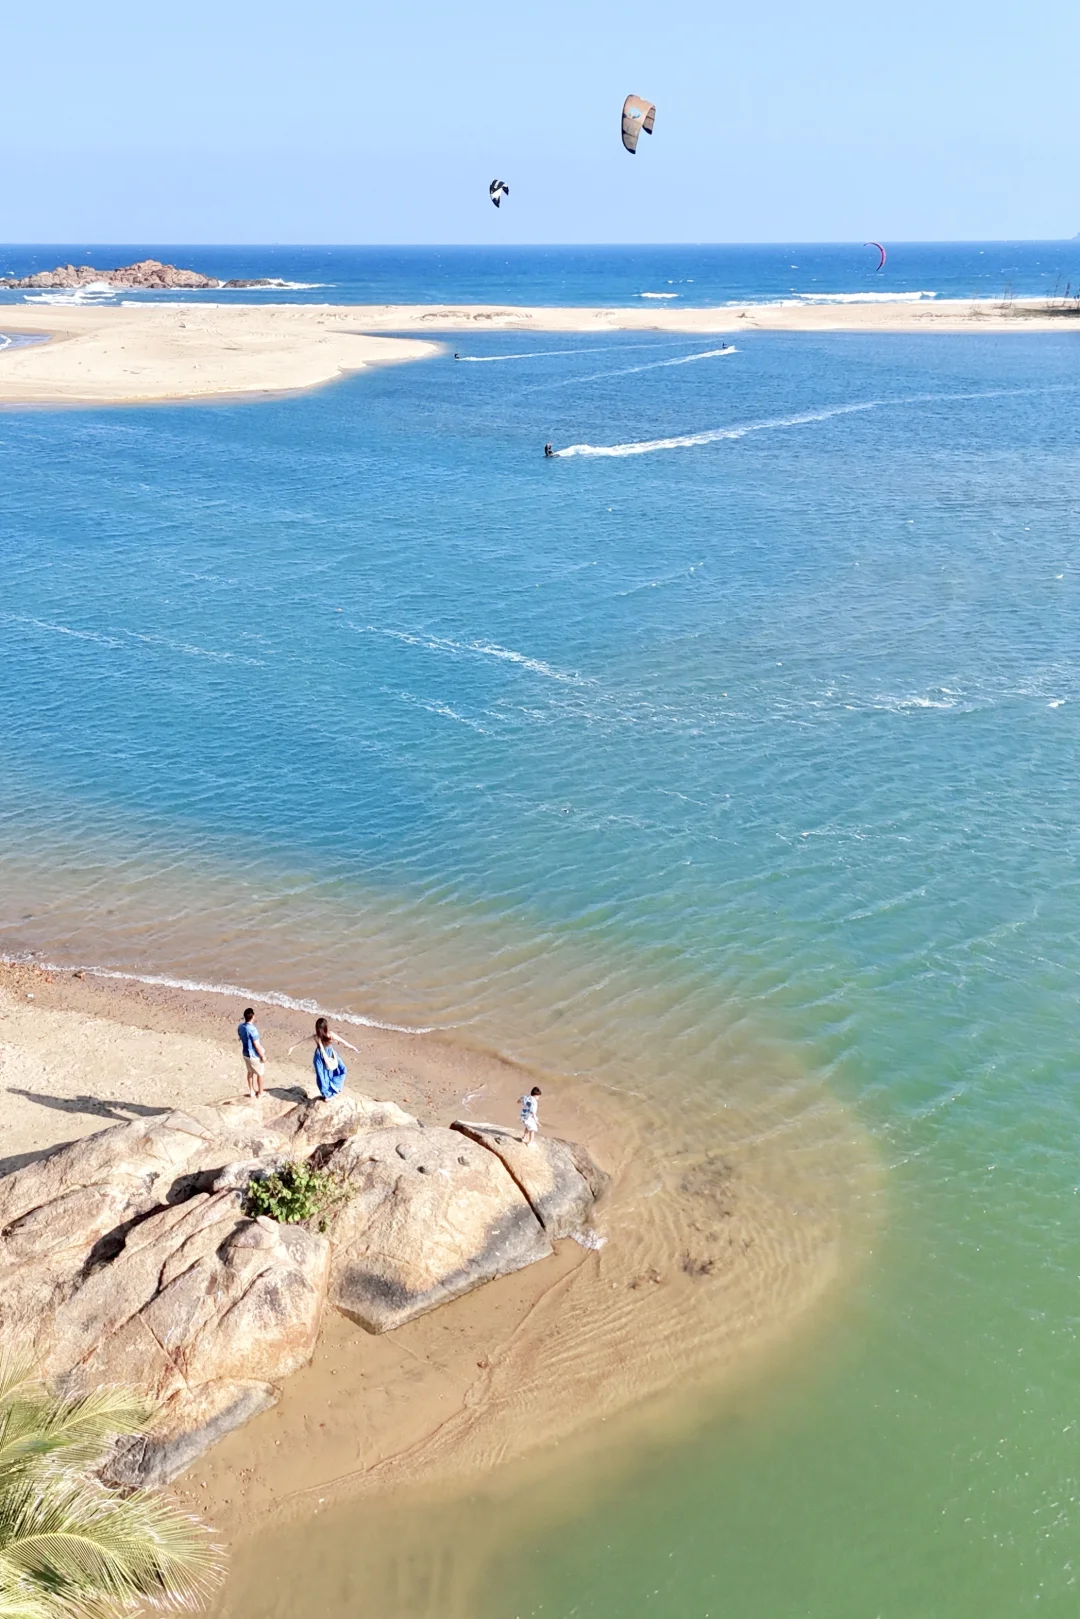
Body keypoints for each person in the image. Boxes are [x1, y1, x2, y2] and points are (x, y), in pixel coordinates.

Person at [289, 1016, 359, 1101]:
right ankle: (327, 1094)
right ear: (326, 1027)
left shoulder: (317, 1037)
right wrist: (353, 1047)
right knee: (329, 1074)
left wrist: (293, 1047)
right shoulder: (330, 1035)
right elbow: (343, 1041)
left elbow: (303, 1041)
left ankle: (329, 1092)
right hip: (324, 1056)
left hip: (320, 1056)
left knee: (324, 1076)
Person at [237, 1008, 266, 1099]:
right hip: (253, 1055)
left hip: (245, 1053)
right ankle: (260, 1092)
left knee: (250, 1072)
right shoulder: (252, 1029)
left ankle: (251, 1091)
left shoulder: (241, 1026)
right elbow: (256, 1045)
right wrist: (262, 1055)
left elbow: (240, 1036)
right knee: (260, 1073)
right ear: (253, 1016)